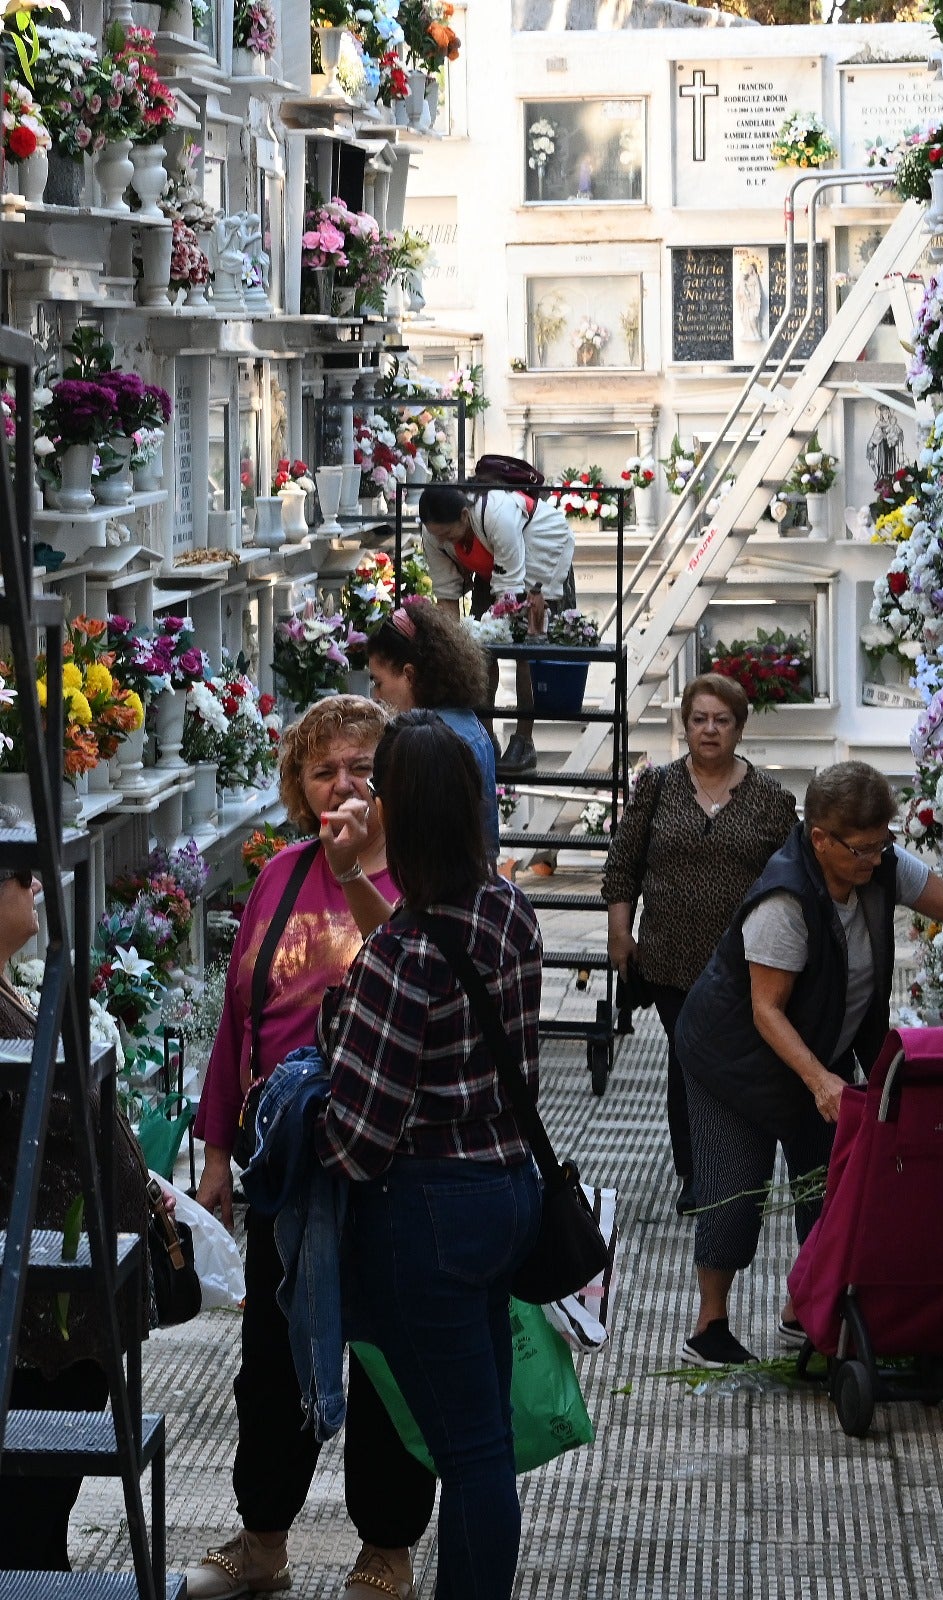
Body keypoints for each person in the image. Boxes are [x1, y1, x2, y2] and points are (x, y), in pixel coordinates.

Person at [673, 760, 943, 1368]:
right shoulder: (784, 902)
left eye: (882, 845)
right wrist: (820, 1081)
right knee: (735, 1192)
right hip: (736, 1061)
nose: (873, 861)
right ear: (820, 839)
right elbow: (766, 1011)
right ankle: (711, 1323)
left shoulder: (881, 866)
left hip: (821, 1051)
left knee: (831, 1187)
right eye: (860, 850)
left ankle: (805, 1312)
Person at [189, 696, 436, 1600]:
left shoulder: (418, 881)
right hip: (288, 1166)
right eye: (324, 769)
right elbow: (236, 1026)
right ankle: (263, 1542)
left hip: (389, 1165)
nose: (344, 786)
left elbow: (424, 987)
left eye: (363, 767)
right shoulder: (278, 878)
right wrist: (217, 1155)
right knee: (272, 1358)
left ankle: (388, 1550)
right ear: (299, 784)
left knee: (385, 1360)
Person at [315, 710, 543, 1600]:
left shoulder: (403, 958)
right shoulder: (503, 909)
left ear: (403, 819)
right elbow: (419, 941)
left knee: (470, 1451)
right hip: (506, 1191)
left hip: (431, 1214)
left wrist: (295, 1120)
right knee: (482, 1434)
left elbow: (360, 1141)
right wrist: (351, 882)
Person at [0, 839, 151, 1572]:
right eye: (20, 876)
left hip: (62, 1301)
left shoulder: (9, 985)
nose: (35, 886)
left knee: (43, 1500)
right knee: (28, 1506)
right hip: (38, 1311)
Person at [603, 673, 796, 1217]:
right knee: (690, 1057)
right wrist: (622, 932)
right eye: (699, 719)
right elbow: (623, 865)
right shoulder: (658, 787)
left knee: (730, 1061)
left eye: (721, 720)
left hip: (744, 962)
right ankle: (696, 1171)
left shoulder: (770, 800)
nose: (709, 730)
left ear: (739, 728)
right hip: (669, 960)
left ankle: (735, 1163)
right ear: (685, 724)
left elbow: (790, 882)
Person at [419, 481, 575, 777]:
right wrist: (452, 647)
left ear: (465, 516)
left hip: (538, 548)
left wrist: (499, 626)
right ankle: (484, 737)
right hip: (493, 567)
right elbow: (447, 597)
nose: (446, 542)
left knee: (525, 646)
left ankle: (524, 742)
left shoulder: (498, 514)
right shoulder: (435, 534)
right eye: (440, 537)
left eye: (450, 534)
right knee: (477, 650)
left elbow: (510, 594)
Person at [367, 595, 499, 855]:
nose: (376, 696)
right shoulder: (468, 723)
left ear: (409, 675)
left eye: (378, 682)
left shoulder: (432, 739)